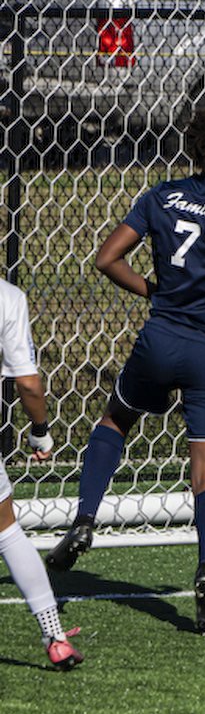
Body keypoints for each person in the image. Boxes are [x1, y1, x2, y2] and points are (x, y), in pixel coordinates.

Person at [43, 104, 205, 636]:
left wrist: (153, 291)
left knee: (115, 420)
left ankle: (84, 520)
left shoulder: (160, 196)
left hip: (160, 341)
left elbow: (107, 258)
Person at [0, 277, 82, 669]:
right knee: (7, 531)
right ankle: (55, 637)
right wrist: (39, 431)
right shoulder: (8, 297)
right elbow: (29, 385)